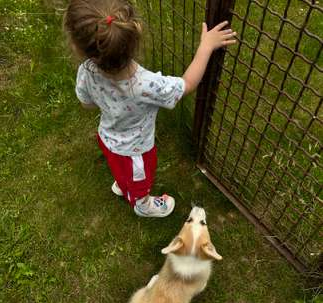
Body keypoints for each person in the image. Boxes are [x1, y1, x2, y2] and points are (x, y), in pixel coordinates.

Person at [64, 0, 236, 217]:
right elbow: (188, 84)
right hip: (136, 152)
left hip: (107, 138)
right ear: (135, 37)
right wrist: (206, 46)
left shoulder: (86, 71)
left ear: (78, 46)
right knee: (140, 181)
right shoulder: (147, 85)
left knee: (117, 165)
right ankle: (142, 204)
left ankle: (122, 183)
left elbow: (86, 104)